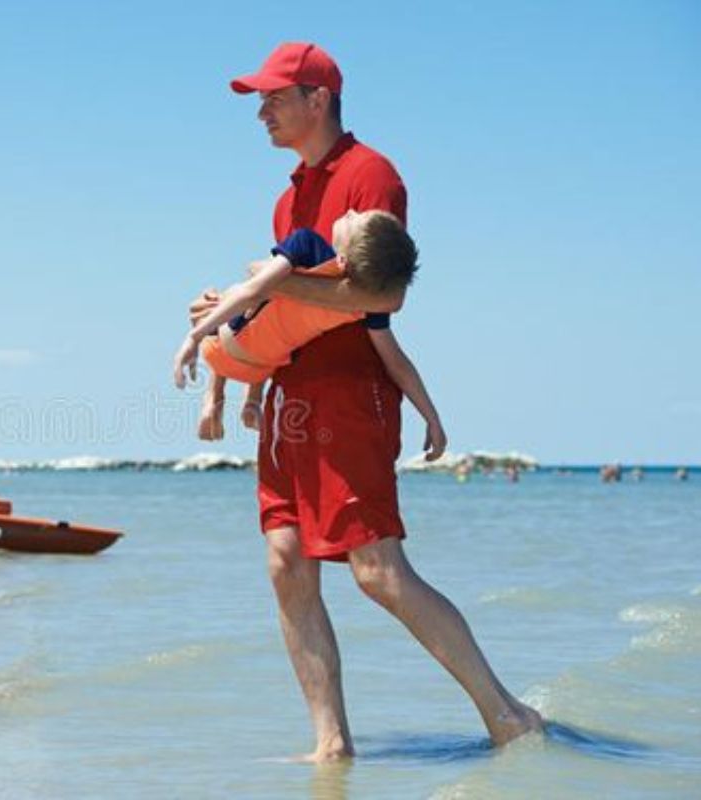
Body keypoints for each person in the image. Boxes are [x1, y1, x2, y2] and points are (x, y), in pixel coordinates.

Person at [190, 42, 542, 760]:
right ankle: (331, 745)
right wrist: (240, 325)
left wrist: (266, 286)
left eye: (273, 97)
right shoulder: (288, 194)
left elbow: (382, 292)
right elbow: (292, 304)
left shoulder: (371, 174)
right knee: (286, 564)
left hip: (353, 395)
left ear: (318, 98)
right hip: (293, 396)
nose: (261, 111)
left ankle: (506, 715)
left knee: (379, 573)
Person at [173, 211, 446, 466]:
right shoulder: (366, 306)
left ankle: (214, 398)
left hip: (221, 345)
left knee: (231, 295)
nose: (351, 211)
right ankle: (252, 403)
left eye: (356, 219)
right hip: (260, 366)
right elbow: (397, 362)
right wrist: (431, 418)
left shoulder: (307, 243)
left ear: (342, 260)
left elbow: (252, 289)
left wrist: (194, 337)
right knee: (281, 334)